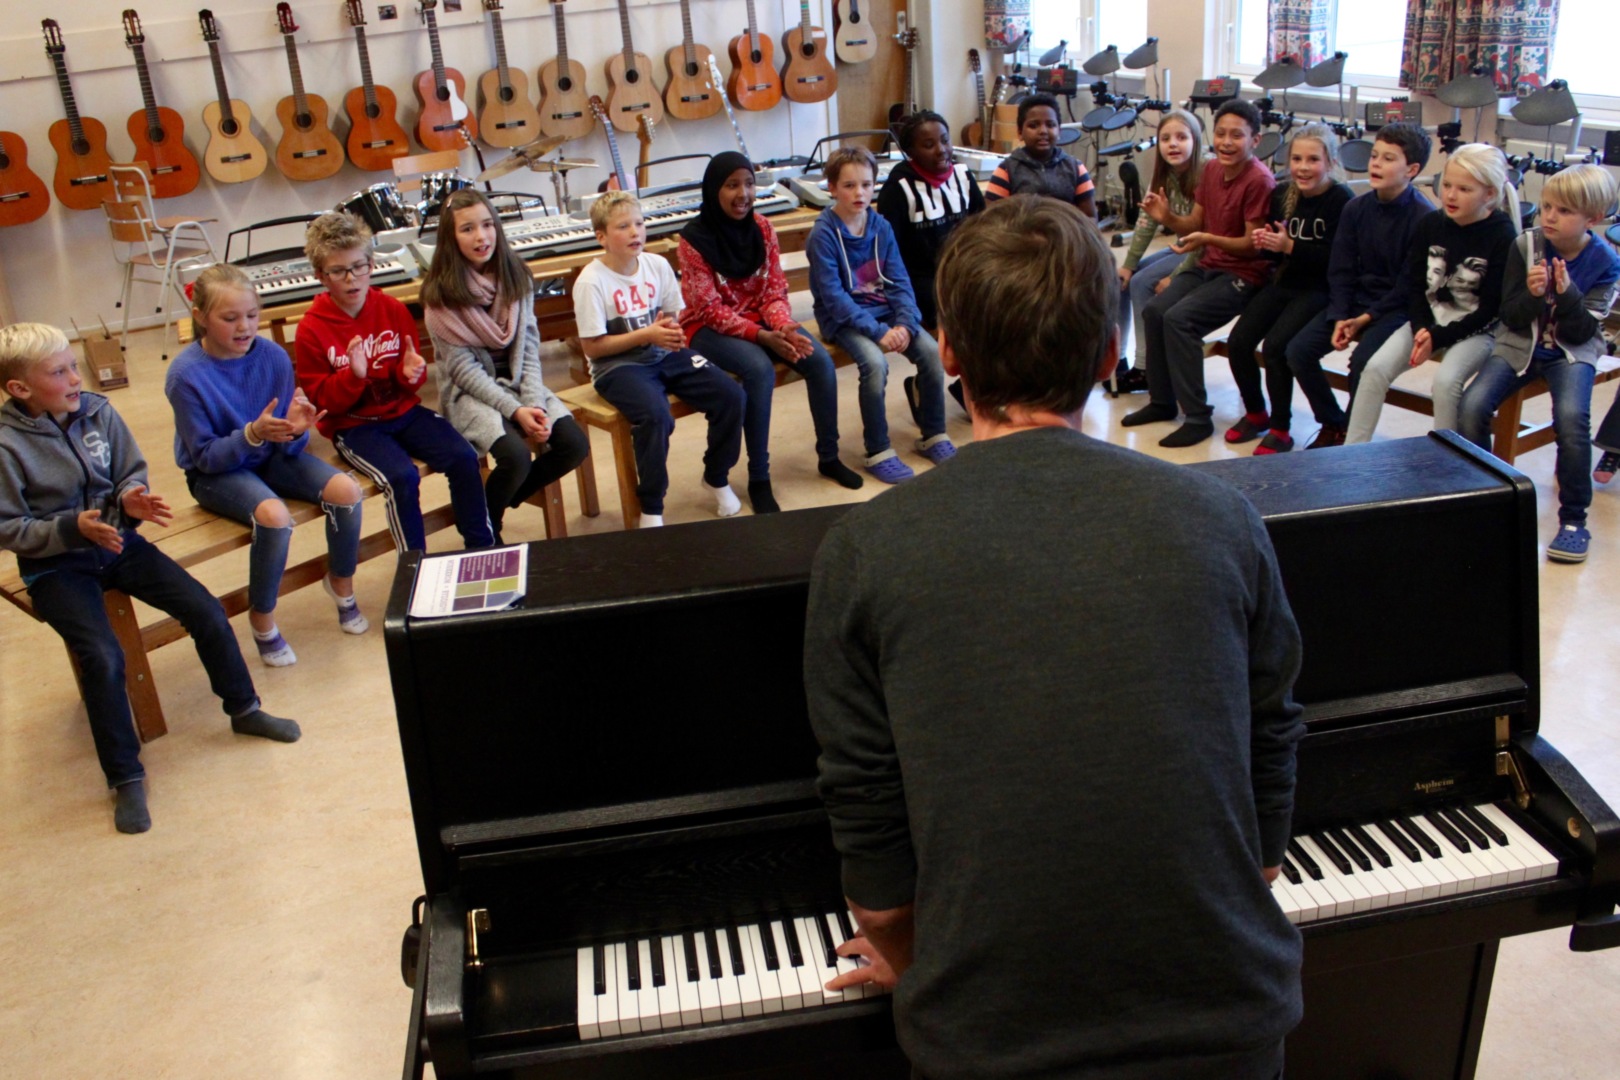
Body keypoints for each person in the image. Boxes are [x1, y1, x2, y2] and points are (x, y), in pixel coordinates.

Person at [804, 195, 1305, 1079]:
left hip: (992, 1045)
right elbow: (1270, 754)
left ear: (949, 355)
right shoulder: (1223, 517)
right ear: (1111, 356)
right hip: (1232, 1025)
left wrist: (925, 975)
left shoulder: (864, 549)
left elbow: (870, 837)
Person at [1, 323, 300, 834]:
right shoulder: (7, 445)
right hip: (57, 563)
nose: (76, 378)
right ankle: (125, 775)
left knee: (205, 608)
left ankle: (244, 708)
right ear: (20, 389)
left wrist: (130, 498)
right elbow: (9, 528)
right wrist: (73, 528)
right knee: (102, 654)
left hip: (120, 542)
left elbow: (130, 471)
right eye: (59, 372)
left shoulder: (97, 410)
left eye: (74, 366)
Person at [166, 264, 365, 667]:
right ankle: (262, 617)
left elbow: (289, 446)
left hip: (269, 455)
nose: (245, 327)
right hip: (215, 472)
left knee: (347, 490)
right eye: (230, 318)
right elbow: (205, 456)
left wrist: (295, 431)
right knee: (274, 516)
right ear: (201, 317)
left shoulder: (273, 355)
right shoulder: (184, 376)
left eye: (252, 315)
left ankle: (340, 583)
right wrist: (253, 434)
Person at [295, 210, 495, 552]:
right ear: (321, 276)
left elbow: (408, 377)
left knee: (464, 457)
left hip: (402, 412)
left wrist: (407, 375)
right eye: (338, 271)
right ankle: (414, 568)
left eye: (359, 266)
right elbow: (323, 404)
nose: (351, 278)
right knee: (401, 477)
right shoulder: (311, 329)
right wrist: (353, 377)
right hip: (355, 426)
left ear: (371, 265)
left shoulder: (392, 309)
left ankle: (482, 548)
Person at [678, 152, 862, 512]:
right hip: (708, 327)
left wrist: (783, 327)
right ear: (714, 189)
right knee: (759, 370)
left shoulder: (762, 228)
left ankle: (829, 456)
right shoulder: (693, 239)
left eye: (748, 183)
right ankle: (758, 476)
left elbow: (774, 291)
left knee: (818, 359)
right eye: (732, 185)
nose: (743, 193)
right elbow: (709, 308)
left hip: (762, 320)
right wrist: (762, 336)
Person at [1459, 164, 1620, 563]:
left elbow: (1584, 332)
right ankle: (1489, 501)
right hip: (1518, 344)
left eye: (1563, 211)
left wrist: (1565, 295)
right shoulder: (1525, 246)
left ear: (1592, 220)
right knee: (1473, 405)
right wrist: (1533, 296)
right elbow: (1511, 315)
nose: (1549, 216)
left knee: (1571, 420)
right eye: (1547, 206)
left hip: (1570, 351)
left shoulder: (1606, 262)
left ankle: (1573, 521)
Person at [420, 191, 588, 542]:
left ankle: (485, 507)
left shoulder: (516, 277)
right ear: (451, 238)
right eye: (467, 229)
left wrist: (534, 404)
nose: (481, 237)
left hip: (519, 384)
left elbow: (528, 347)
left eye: (487, 225)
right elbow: (464, 373)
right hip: (469, 392)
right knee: (515, 456)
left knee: (574, 445)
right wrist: (516, 410)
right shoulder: (440, 296)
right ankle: (488, 530)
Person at [573, 189, 744, 528]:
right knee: (656, 416)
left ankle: (716, 475)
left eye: (639, 223)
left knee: (732, 395)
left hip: (663, 354)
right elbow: (592, 348)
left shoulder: (657, 264)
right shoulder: (591, 282)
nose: (635, 232)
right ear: (602, 237)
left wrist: (671, 333)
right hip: (617, 366)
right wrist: (646, 336)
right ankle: (651, 505)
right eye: (623, 226)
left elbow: (672, 318)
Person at [1124, 98, 1277, 447]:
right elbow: (1194, 223)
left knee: (1180, 320)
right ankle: (1162, 403)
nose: (1226, 141)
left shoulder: (1259, 181)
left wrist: (1207, 238)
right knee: (1154, 310)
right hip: (1210, 264)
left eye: (1236, 135)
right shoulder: (1210, 170)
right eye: (1221, 133)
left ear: (1255, 140)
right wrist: (1168, 219)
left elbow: (1253, 246)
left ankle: (1197, 417)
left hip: (1245, 275)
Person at [1345, 143, 1519, 444]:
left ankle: (1445, 464)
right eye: (1447, 185)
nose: (1450, 195)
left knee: (1446, 382)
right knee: (1374, 369)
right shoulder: (1431, 223)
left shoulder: (1503, 235)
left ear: (1489, 194)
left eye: (1464, 189)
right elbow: (1414, 284)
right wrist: (1423, 328)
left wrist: (1437, 338)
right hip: (1428, 319)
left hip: (1476, 328)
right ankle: (1351, 453)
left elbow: (1491, 308)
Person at [808, 146, 954, 485]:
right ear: (831, 188)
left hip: (887, 313)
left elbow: (900, 280)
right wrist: (878, 332)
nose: (859, 193)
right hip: (844, 319)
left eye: (866, 184)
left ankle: (933, 434)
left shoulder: (881, 227)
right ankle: (878, 450)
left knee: (933, 354)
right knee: (875, 364)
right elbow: (834, 298)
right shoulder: (823, 235)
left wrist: (905, 322)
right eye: (848, 185)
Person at [1285, 122, 1434, 449]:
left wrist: (1364, 320)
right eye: (1375, 155)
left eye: (1388, 158)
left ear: (1411, 169)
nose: (1376, 164)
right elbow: (1340, 270)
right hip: (1353, 303)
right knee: (1298, 351)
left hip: (1396, 310)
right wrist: (1340, 315)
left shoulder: (1424, 218)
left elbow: (1410, 285)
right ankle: (1334, 423)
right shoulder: (1356, 208)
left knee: (1363, 363)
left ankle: (1351, 437)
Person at [1222, 123, 1352, 454]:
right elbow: (1273, 250)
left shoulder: (1341, 200)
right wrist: (1265, 243)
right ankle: (1256, 413)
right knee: (1238, 342)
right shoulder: (1283, 194)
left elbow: (1338, 261)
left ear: (1330, 162)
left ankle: (1282, 427)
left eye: (1313, 160)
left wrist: (1289, 246)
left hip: (1319, 289)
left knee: (1277, 346)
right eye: (1296, 159)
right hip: (1285, 282)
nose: (1303, 168)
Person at [875, 110, 985, 413]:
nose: (941, 150)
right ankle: (935, 384)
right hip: (919, 277)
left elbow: (982, 225)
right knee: (961, 317)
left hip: (963, 270)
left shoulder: (963, 176)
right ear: (910, 152)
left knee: (1000, 306)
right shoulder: (898, 189)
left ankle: (971, 386)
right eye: (929, 144)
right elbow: (889, 250)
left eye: (945, 141)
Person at [1115, 108, 1204, 395]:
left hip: (1203, 251)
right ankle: (1120, 361)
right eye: (1165, 138)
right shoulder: (1163, 176)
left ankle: (1146, 368)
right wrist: (1128, 264)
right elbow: (1146, 224)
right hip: (1184, 247)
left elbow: (1206, 237)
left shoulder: (1206, 174)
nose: (1173, 144)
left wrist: (1178, 274)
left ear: (1196, 141)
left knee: (1144, 282)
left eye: (1181, 137)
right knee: (1126, 280)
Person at [984, 92, 1097, 219]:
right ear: (1020, 132)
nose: (1043, 131)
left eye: (1050, 125)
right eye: (1033, 125)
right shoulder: (1006, 170)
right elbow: (991, 220)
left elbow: (1090, 218)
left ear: (1059, 131)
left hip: (1066, 237)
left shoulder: (1076, 168)